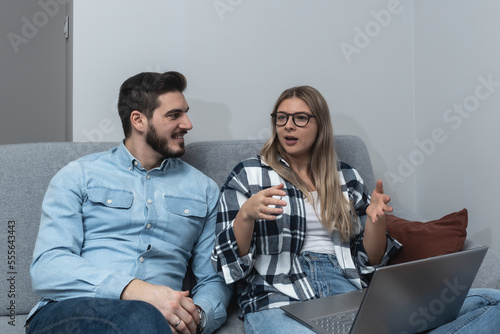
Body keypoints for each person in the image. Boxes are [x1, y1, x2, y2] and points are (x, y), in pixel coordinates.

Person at [211, 85, 500, 333]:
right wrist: (245, 215)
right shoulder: (248, 174)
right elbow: (226, 264)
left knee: (492, 302)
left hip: (346, 292)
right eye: (281, 118)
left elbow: (369, 260)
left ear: (320, 125)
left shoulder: (346, 178)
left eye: (300, 118)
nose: (288, 125)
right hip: (278, 297)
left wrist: (376, 222)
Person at [26, 71, 232, 334]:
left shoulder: (204, 190)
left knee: (145, 320)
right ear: (138, 120)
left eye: (186, 113)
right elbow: (48, 267)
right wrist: (137, 291)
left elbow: (212, 278)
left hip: (157, 323)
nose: (188, 124)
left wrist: (196, 318)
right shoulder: (80, 176)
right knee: (142, 316)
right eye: (174, 115)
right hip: (71, 311)